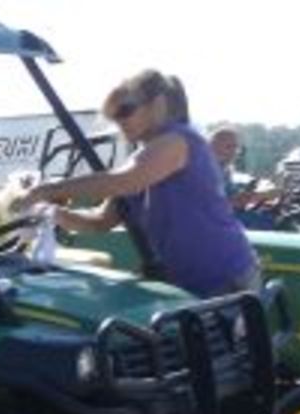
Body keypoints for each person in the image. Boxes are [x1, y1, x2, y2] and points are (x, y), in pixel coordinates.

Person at [14, 70, 260, 297]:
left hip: (225, 278)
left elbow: (123, 182)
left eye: (126, 111)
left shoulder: (179, 140)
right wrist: (51, 213)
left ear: (158, 104)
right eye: (114, 116)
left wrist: (45, 190)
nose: (119, 122)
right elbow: (100, 222)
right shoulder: (139, 161)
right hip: (188, 283)